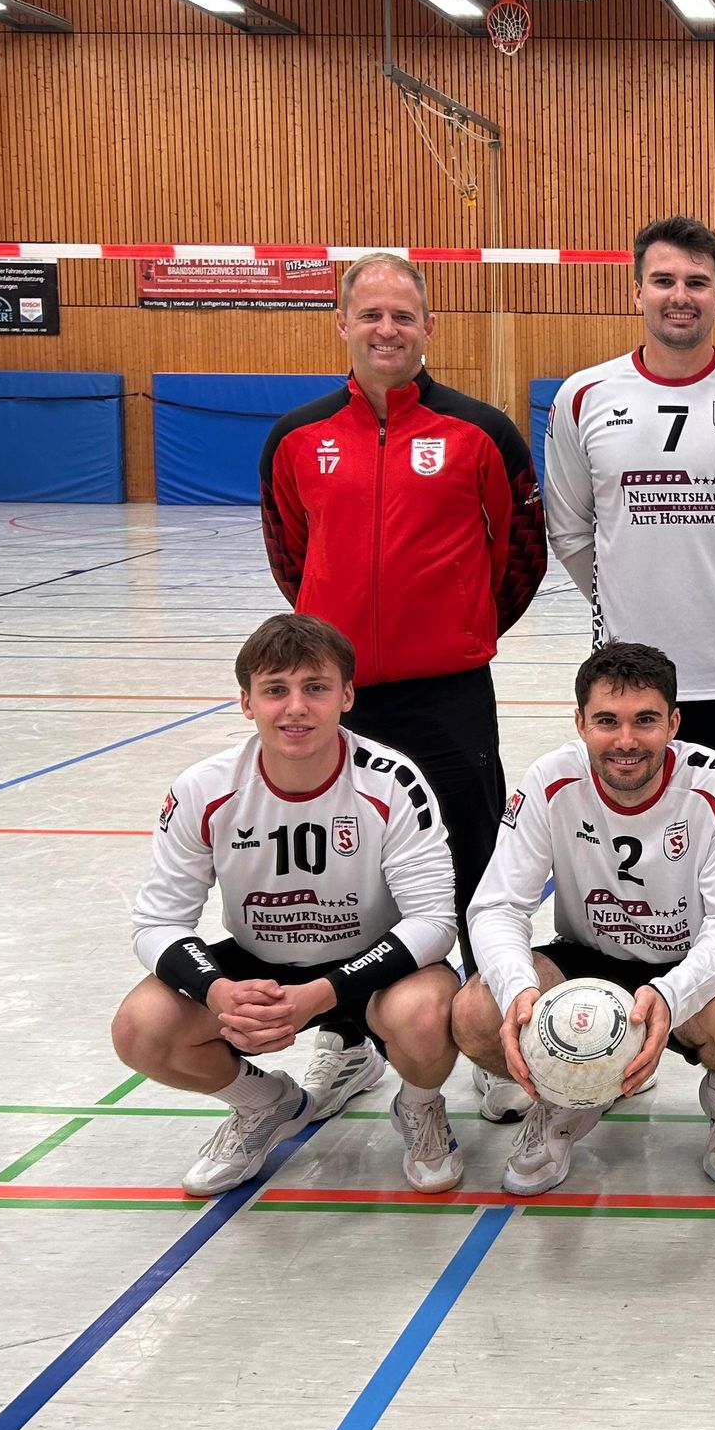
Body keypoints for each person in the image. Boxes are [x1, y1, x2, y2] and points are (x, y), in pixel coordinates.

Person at [546, 215, 715, 1133]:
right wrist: (629, 623)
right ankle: (605, 1030)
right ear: (636, 289)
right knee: (614, 850)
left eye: (697, 281)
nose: (680, 296)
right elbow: (571, 532)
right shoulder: (586, 398)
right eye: (664, 280)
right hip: (630, 689)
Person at [261, 251, 546, 1127]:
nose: (387, 328)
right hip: (341, 699)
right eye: (371, 313)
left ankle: (492, 1038)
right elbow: (291, 555)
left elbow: (521, 553)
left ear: (429, 325)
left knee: (475, 866)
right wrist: (331, 654)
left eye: (403, 314)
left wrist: (463, 628)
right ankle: (348, 1039)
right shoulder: (297, 438)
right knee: (347, 875)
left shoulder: (482, 432)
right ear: (342, 323)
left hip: (449, 693)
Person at [113, 614, 464, 1197]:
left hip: (372, 967)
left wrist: (323, 993)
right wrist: (215, 991)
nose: (296, 708)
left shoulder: (391, 781)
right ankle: (267, 1102)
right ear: (247, 702)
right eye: (275, 689)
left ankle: (420, 1105)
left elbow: (433, 921)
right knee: (140, 1028)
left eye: (315, 688)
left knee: (427, 1013)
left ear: (346, 696)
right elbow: (158, 921)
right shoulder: (203, 787)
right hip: (260, 964)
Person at [452, 642, 715, 1194]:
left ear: (674, 723)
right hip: (587, 961)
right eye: (607, 721)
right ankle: (568, 1096)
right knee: (475, 1013)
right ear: (580, 722)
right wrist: (517, 990)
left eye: (645, 720)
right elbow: (497, 905)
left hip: (684, 963)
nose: (626, 740)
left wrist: (671, 994)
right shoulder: (550, 779)